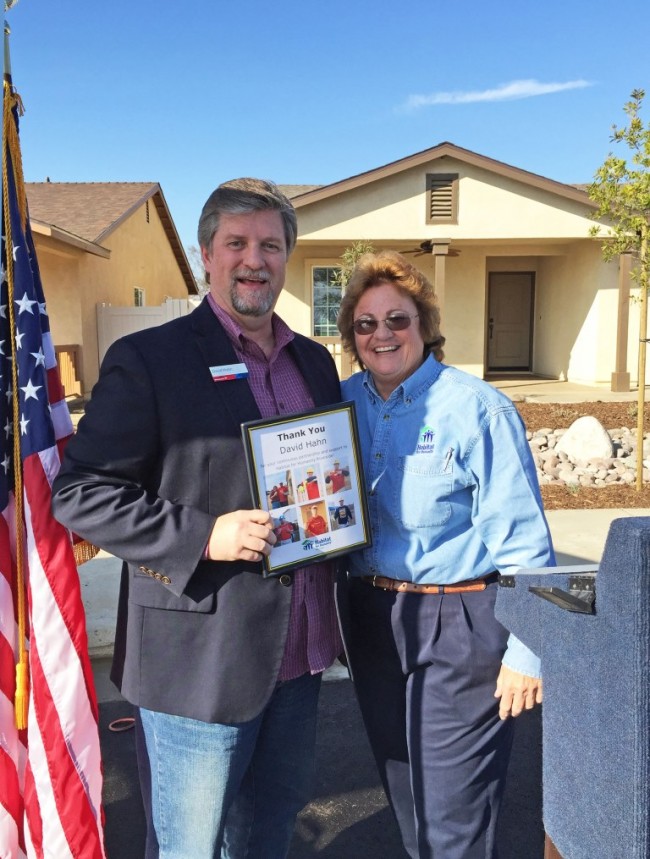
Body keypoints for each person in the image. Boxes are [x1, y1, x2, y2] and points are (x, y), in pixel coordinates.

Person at [52, 178, 343, 859]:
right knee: (190, 847)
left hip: (300, 655)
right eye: (236, 243)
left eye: (271, 245)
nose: (254, 259)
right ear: (206, 254)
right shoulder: (151, 358)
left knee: (267, 834)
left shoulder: (315, 362)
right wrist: (203, 534)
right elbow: (81, 492)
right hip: (198, 667)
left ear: (287, 258)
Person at [336, 250, 555, 859]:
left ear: (425, 326)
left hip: (460, 625)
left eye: (397, 320)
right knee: (407, 798)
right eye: (366, 323)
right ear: (352, 336)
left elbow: (526, 544)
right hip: (372, 620)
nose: (382, 335)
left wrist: (527, 651)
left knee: (454, 816)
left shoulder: (476, 409)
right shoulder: (339, 405)